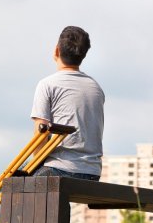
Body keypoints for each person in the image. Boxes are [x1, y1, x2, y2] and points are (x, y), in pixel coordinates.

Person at [31, 26, 105, 181]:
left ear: (56, 51)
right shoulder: (96, 88)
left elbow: (40, 135)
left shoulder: (47, 84)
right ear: (84, 55)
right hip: (92, 172)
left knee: (13, 183)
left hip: (60, 168)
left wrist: (35, 166)